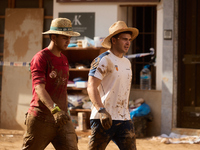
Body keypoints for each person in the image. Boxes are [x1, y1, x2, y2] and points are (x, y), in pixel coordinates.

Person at [21, 18, 80, 150]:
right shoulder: (41, 58)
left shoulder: (64, 59)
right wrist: (55, 109)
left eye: (69, 37)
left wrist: (65, 113)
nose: (68, 41)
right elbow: (39, 88)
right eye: (65, 37)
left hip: (62, 119)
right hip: (41, 118)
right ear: (53, 37)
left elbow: (62, 90)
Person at [87, 21, 139, 150]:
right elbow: (91, 86)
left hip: (124, 118)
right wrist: (101, 110)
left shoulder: (127, 62)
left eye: (129, 40)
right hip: (103, 118)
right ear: (114, 40)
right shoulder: (103, 60)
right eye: (124, 39)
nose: (128, 42)